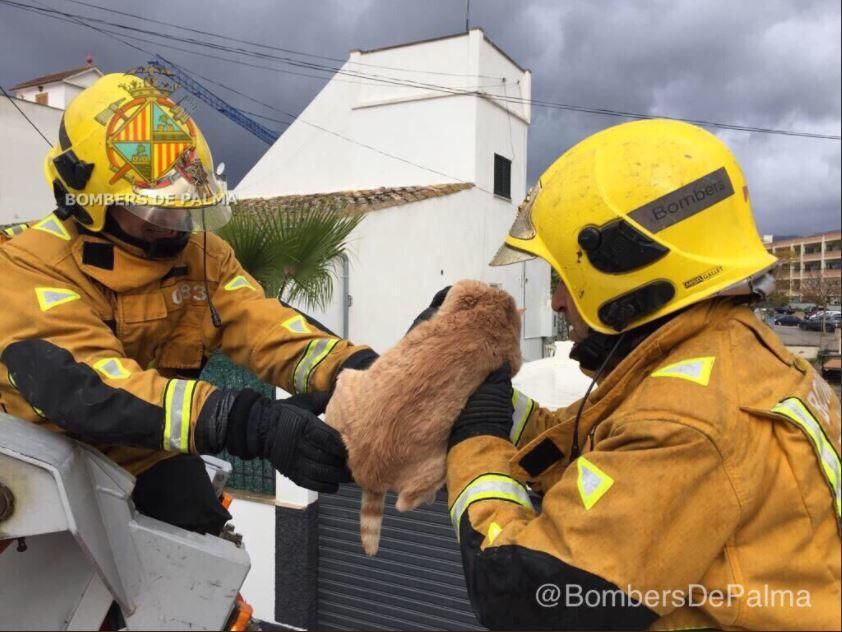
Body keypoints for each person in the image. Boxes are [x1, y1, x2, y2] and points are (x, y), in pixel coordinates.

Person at [443, 119, 841, 630]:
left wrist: (474, 440)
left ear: (629, 267)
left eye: (564, 277)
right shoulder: (733, 356)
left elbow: (521, 596)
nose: (557, 301)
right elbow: (589, 443)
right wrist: (486, 392)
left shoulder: (687, 420)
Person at [0, 71, 377, 535]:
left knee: (207, 572)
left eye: (185, 209)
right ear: (84, 196)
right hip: (38, 479)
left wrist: (363, 373)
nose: (173, 227)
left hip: (150, 456)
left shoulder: (203, 258)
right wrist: (249, 422)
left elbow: (266, 325)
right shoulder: (23, 268)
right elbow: (90, 388)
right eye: (155, 211)